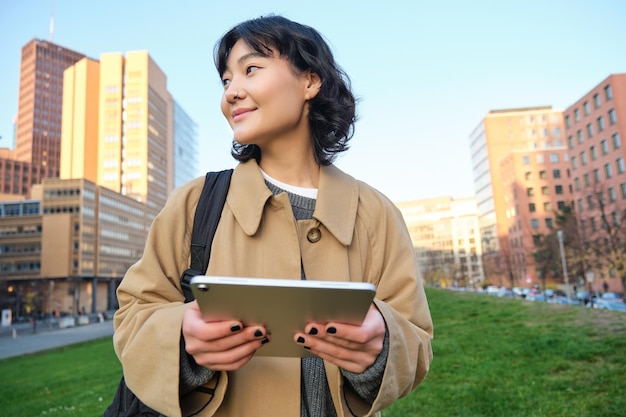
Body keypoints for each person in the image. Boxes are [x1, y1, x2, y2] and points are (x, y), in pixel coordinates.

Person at [112, 15, 433, 417]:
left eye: (250, 69)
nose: (231, 93)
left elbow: (416, 341)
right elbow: (133, 316)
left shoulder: (377, 212)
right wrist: (180, 338)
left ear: (309, 82)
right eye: (226, 80)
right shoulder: (194, 202)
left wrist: (381, 346)